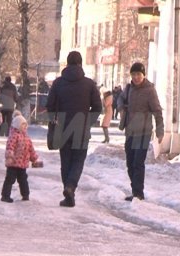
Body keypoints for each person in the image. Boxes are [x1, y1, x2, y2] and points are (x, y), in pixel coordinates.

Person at [46, 51, 102, 207]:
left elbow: (49, 105)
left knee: (66, 161)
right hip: (81, 128)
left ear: (67, 64)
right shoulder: (89, 84)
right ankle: (70, 187)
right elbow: (97, 107)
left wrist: (55, 119)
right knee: (78, 161)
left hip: (62, 128)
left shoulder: (58, 83)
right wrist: (87, 121)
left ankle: (68, 193)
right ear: (80, 63)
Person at [117, 62, 164, 201]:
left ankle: (138, 193)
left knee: (138, 163)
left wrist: (160, 130)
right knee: (130, 163)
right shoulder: (129, 88)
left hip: (143, 132)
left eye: (138, 74)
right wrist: (121, 108)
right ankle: (134, 190)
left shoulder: (149, 90)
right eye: (133, 74)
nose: (136, 77)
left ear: (143, 75)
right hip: (130, 131)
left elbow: (157, 111)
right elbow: (120, 98)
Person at [1, 113, 39, 203]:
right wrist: (10, 157)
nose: (25, 127)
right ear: (17, 125)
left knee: (23, 180)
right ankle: (5, 196)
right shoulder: (14, 135)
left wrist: (34, 159)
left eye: (26, 125)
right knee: (10, 179)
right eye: (23, 125)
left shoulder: (27, 138)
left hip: (22, 164)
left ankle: (26, 195)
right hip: (13, 163)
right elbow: (10, 147)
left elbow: (31, 149)